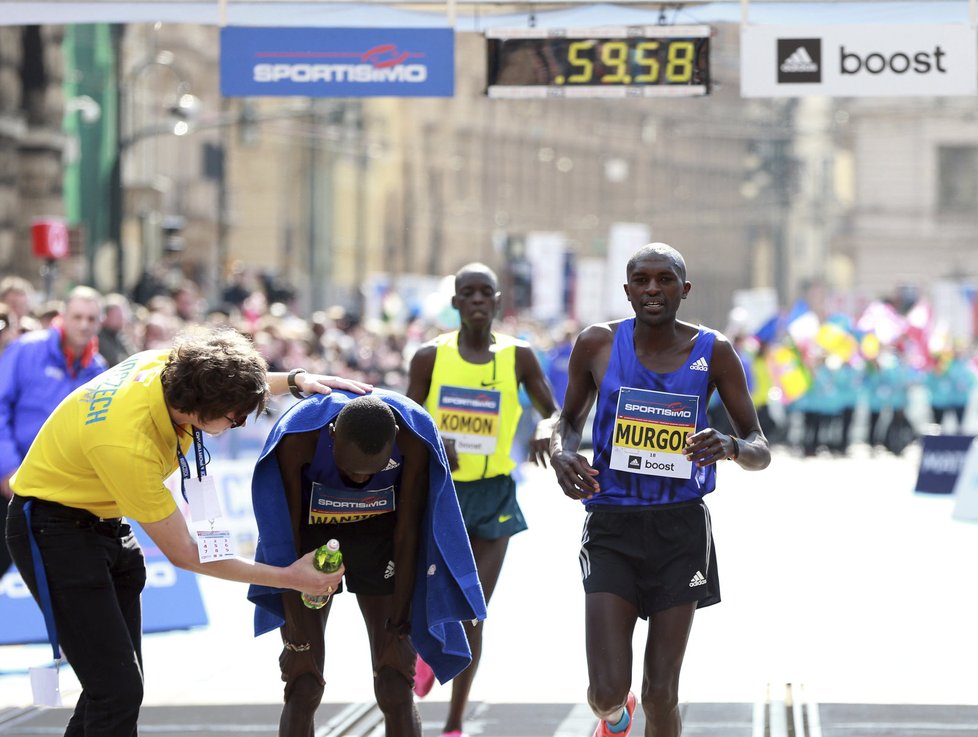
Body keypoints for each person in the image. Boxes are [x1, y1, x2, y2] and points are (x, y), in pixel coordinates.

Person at [4, 325, 370, 737]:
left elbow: (226, 380)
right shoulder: (126, 442)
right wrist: (289, 577)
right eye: (235, 420)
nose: (238, 424)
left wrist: (295, 380)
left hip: (102, 522)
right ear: (200, 409)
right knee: (117, 691)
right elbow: (186, 554)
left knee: (109, 688)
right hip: (53, 531)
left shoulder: (169, 369)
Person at [549, 243, 771, 737]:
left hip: (680, 529)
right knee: (605, 692)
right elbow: (566, 422)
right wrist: (561, 454)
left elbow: (760, 447)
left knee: (662, 692)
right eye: (642, 280)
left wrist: (731, 445)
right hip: (612, 526)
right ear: (627, 291)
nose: (653, 289)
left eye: (665, 279)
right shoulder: (597, 344)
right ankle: (615, 715)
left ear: (684, 289)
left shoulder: (713, 351)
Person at [247, 390, 487, 737]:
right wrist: (296, 635)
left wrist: (400, 623)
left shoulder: (413, 438)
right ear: (331, 435)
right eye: (349, 471)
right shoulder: (298, 437)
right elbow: (286, 542)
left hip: (382, 539)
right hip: (312, 538)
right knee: (303, 683)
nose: (359, 482)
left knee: (395, 680)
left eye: (370, 473)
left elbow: (408, 536)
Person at [405, 262, 560, 737]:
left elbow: (557, 413)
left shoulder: (520, 357)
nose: (475, 300)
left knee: (474, 609)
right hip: (440, 494)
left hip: (494, 494)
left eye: (484, 293)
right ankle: (428, 648)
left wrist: (544, 428)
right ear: (455, 303)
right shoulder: (430, 357)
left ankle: (453, 723)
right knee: (431, 600)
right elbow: (404, 420)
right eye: (466, 293)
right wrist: (434, 441)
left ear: (497, 302)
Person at [0, 285, 107, 581]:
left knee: (59, 580)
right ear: (63, 317)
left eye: (91, 318)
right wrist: (7, 465)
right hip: (8, 480)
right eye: (78, 317)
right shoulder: (27, 349)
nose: (84, 325)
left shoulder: (98, 369)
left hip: (55, 493)